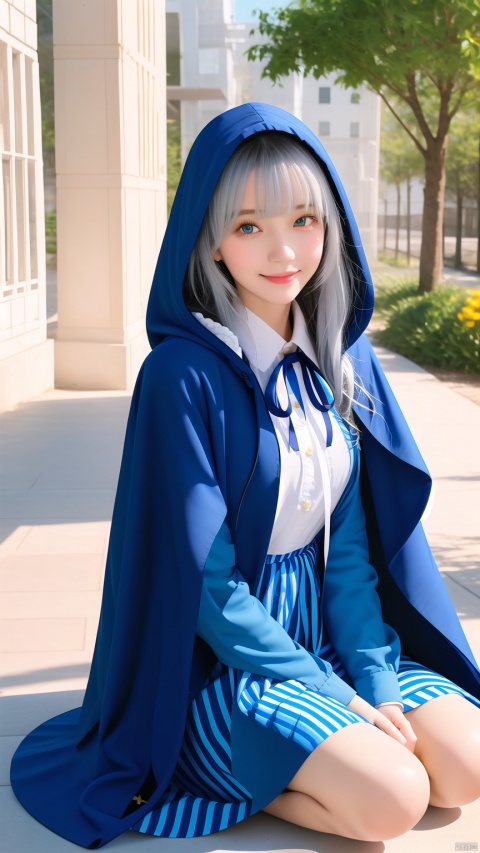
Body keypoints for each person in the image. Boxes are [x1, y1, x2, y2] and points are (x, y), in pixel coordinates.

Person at [10, 103, 480, 848]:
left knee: (463, 769)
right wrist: (330, 693)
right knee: (395, 798)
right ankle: (230, 779)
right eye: (250, 226)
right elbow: (209, 589)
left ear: (331, 225)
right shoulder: (181, 377)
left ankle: (323, 761)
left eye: (304, 220)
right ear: (212, 239)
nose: (284, 249)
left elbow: (350, 559)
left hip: (327, 630)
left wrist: (372, 681)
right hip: (222, 660)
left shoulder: (342, 360)